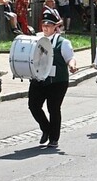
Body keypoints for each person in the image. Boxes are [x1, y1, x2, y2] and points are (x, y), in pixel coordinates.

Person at [28, 11, 77, 148]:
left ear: (55, 27)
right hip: (39, 78)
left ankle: (54, 138)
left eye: (49, 25)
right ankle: (46, 129)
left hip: (57, 81)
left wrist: (72, 65)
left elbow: (70, 58)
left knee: (53, 108)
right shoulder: (36, 40)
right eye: (43, 25)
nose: (45, 27)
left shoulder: (63, 42)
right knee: (33, 105)